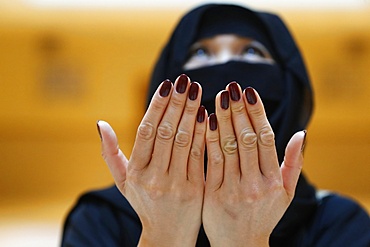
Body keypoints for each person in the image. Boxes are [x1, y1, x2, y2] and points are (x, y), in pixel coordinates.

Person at [61, 3, 370, 246]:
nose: (224, 65)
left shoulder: (339, 223)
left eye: (252, 51)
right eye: (200, 52)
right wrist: (163, 234)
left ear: (289, 86)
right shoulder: (100, 220)